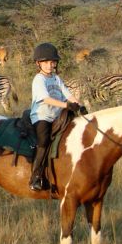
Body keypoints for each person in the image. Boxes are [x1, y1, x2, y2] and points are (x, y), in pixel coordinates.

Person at [29, 42, 83, 191]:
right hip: (42, 116)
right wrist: (66, 105)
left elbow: (68, 94)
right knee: (44, 142)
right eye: (45, 62)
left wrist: (79, 105)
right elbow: (45, 99)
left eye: (52, 62)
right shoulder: (39, 79)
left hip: (57, 116)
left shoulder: (56, 78)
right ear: (38, 63)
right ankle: (35, 177)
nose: (49, 65)